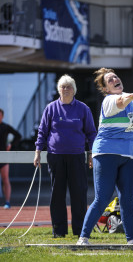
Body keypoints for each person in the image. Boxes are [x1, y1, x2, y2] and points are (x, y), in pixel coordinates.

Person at [77, 68, 133, 245]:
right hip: (106, 153)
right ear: (106, 89)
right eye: (110, 80)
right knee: (102, 198)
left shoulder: (129, 99)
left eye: (115, 76)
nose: (115, 79)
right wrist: (130, 96)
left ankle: (132, 240)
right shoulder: (109, 101)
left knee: (127, 199)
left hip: (128, 155)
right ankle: (83, 237)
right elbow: (122, 101)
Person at [33, 74, 96, 238]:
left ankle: (80, 231)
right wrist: (38, 151)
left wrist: (91, 153)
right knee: (57, 195)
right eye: (63, 86)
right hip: (55, 156)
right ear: (58, 90)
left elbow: (91, 133)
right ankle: (59, 231)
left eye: (69, 87)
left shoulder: (83, 108)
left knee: (79, 194)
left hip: (76, 156)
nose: (66, 89)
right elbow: (42, 131)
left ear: (74, 90)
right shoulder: (51, 108)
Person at [0, 108, 21, 209]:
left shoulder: (5, 127)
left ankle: (7, 202)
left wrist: (11, 145)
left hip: (4, 156)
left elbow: (18, 135)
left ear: (2, 116)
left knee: (5, 178)